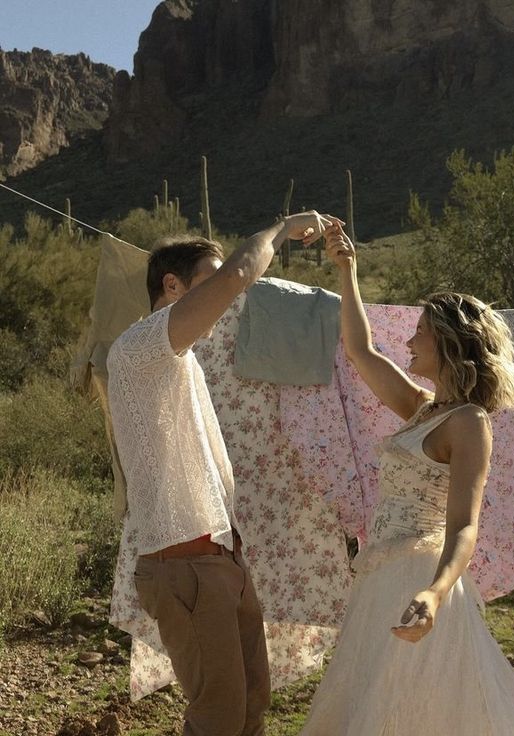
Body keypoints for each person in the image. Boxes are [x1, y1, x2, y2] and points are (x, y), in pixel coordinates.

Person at [299, 222, 514, 735]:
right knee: (378, 701)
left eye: (421, 332)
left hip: (420, 577)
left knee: (422, 706)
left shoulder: (470, 424)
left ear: (449, 344)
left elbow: (464, 527)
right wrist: (348, 270)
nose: (409, 340)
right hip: (379, 577)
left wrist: (434, 592)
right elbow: (362, 351)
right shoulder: (421, 409)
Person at [107, 212, 336, 736]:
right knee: (218, 718)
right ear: (172, 286)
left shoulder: (182, 358)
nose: (230, 298)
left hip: (220, 559)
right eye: (207, 281)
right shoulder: (142, 348)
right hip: (183, 562)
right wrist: (280, 229)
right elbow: (239, 273)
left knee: (251, 705)